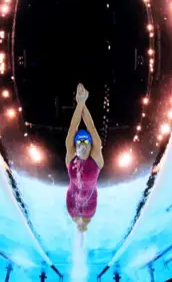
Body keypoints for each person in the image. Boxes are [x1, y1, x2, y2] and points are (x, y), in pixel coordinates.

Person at [65, 83, 104, 232]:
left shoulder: (96, 157)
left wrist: (82, 103)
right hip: (72, 200)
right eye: (79, 141)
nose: (82, 144)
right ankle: (78, 224)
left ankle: (84, 225)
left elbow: (91, 128)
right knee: (76, 221)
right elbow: (72, 128)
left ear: (90, 144)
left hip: (90, 201)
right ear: (75, 144)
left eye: (85, 141)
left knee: (85, 223)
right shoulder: (70, 156)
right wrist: (80, 102)